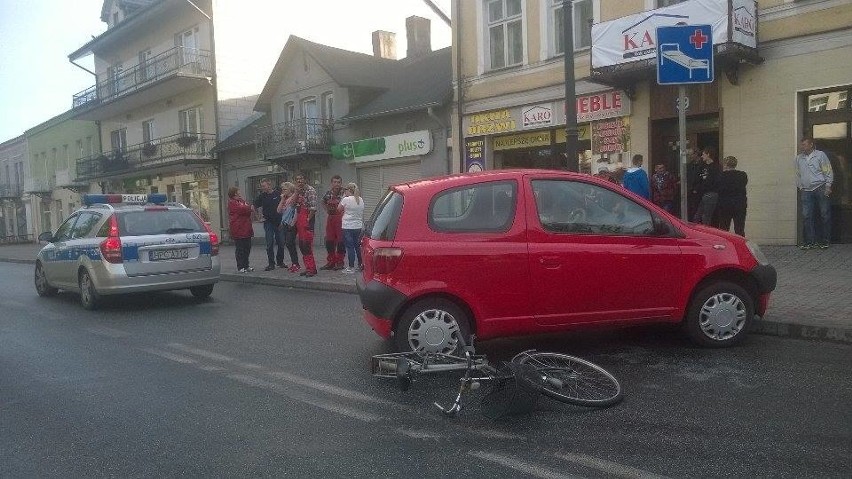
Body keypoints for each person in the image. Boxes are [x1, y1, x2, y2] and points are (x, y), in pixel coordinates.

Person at [796, 137, 834, 249]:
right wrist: (800, 186)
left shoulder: (820, 155)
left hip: (820, 187)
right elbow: (798, 174)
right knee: (807, 216)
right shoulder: (799, 158)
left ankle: (825, 241)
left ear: (811, 145)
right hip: (806, 190)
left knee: (824, 214)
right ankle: (809, 242)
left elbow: (828, 170)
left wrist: (828, 185)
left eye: (804, 144)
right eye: (801, 145)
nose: (801, 147)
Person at [253, 178, 286, 271]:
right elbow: (254, 206)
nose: (262, 188)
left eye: (264, 186)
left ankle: (280, 262)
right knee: (269, 243)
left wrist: (284, 219)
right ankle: (271, 264)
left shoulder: (278, 194)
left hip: (279, 222)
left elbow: (284, 205)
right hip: (268, 223)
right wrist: (259, 217)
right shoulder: (262, 196)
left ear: (269, 185)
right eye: (261, 186)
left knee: (281, 243)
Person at [716, 156, 748, 236]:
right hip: (739, 204)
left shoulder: (721, 176)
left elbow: (718, 188)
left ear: (726, 164)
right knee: (740, 228)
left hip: (725, 204)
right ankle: (741, 246)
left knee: (724, 228)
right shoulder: (742, 175)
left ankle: (726, 246)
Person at [294, 173, 318, 276]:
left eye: (301, 178)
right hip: (300, 222)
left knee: (307, 246)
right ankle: (308, 267)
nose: (299, 181)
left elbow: (313, 208)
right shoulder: (298, 192)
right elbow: (293, 204)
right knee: (302, 246)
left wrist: (308, 219)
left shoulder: (310, 190)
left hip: (307, 222)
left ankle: (312, 269)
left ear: (305, 179)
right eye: (297, 179)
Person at [338, 182, 365, 273]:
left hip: (348, 226)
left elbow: (339, 209)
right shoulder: (360, 199)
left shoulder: (346, 199)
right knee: (358, 246)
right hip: (358, 226)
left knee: (350, 247)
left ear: (349, 190)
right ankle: (360, 265)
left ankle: (351, 267)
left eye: (346, 190)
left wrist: (342, 197)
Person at [320, 175, 346, 270]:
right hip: (330, 219)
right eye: (334, 182)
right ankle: (331, 262)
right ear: (332, 183)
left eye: (338, 182)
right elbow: (322, 201)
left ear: (341, 183)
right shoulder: (328, 193)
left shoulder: (345, 192)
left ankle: (340, 262)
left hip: (341, 219)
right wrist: (327, 210)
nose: (336, 184)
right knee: (329, 241)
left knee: (340, 241)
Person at [227, 186, 254, 273]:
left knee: (247, 248)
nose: (240, 193)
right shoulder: (232, 202)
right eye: (238, 191)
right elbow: (242, 209)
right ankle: (240, 267)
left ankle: (246, 266)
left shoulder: (241, 201)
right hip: (238, 229)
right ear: (235, 193)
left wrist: (246, 207)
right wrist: (247, 208)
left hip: (246, 229)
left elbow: (247, 209)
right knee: (240, 249)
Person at [692, 147, 721, 226]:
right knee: (697, 217)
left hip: (711, 194)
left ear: (708, 154)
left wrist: (702, 187)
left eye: (703, 154)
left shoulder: (716, 167)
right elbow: (698, 178)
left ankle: (707, 234)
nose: (702, 156)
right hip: (702, 194)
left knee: (706, 217)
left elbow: (714, 182)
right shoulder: (702, 166)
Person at [276, 181, 301, 273]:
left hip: (291, 224)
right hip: (285, 224)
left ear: (290, 189)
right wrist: (282, 199)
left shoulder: (293, 198)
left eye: (285, 189)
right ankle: (294, 263)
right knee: (288, 244)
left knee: (290, 243)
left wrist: (293, 223)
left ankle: (296, 264)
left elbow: (295, 211)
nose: (283, 191)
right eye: (282, 189)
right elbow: (278, 211)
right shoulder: (285, 199)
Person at [686, 149, 704, 221]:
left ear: (696, 154)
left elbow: (702, 178)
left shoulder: (703, 164)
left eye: (691, 154)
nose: (690, 156)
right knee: (690, 210)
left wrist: (696, 188)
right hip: (690, 191)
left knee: (698, 211)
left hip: (699, 192)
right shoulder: (689, 165)